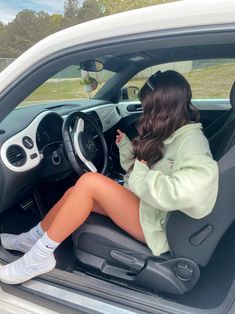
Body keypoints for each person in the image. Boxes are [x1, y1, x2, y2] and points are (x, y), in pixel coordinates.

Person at [0, 70, 218, 284]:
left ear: (162, 109)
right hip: (150, 210)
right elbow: (147, 171)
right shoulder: (176, 131)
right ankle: (30, 239)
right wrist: (127, 151)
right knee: (75, 192)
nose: (144, 113)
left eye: (147, 108)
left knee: (89, 182)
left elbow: (193, 195)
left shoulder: (193, 142)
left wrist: (142, 173)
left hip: (159, 226)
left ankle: (38, 258)